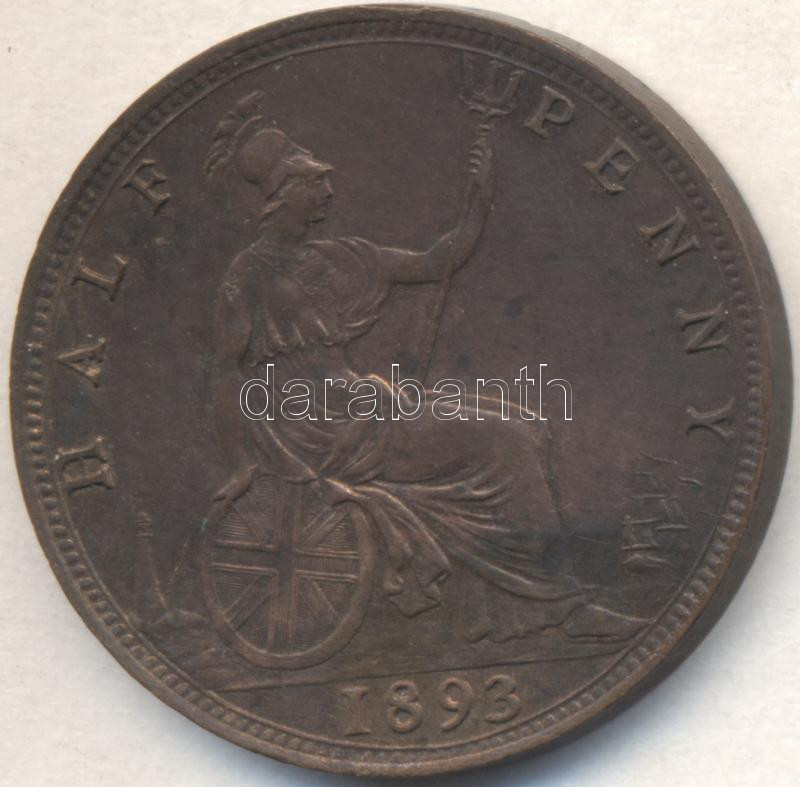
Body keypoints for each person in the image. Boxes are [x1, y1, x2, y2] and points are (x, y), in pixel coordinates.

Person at [205, 92, 643, 644]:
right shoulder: (247, 274)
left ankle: (500, 606)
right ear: (283, 192)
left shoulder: (341, 256)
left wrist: (480, 198)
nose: (328, 191)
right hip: (317, 428)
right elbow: (226, 371)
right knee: (505, 441)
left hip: (359, 406)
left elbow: (439, 261)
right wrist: (240, 464)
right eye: (315, 182)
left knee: (527, 423)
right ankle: (557, 605)